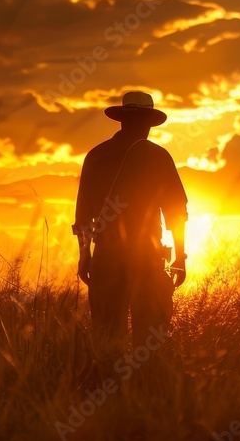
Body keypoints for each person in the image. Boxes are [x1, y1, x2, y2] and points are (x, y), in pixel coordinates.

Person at [73, 90, 188, 348]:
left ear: (122, 120)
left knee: (106, 339)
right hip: (147, 257)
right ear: (149, 123)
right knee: (150, 343)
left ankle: (106, 386)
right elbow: (176, 212)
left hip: (105, 257)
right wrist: (180, 256)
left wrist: (85, 256)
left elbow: (83, 215)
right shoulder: (158, 156)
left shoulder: (97, 155)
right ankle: (145, 386)